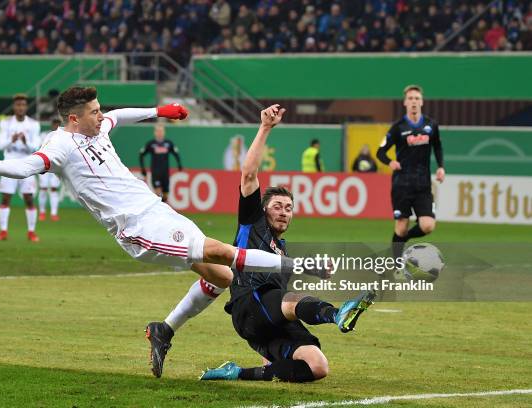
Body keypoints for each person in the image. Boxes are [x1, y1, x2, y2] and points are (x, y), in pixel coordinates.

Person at [0, 88, 308, 358]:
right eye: (93, 111)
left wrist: (160, 111)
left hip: (157, 209)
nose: (100, 115)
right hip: (138, 229)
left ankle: (163, 330)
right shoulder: (60, 145)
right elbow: (27, 166)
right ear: (75, 119)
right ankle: (295, 263)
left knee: (222, 277)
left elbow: (119, 115)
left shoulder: (97, 126)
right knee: (222, 252)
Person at [147, 105, 375, 381]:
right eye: (277, 205)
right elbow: (249, 175)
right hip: (248, 306)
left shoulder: (283, 251)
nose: (283, 211)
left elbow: (283, 304)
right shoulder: (253, 223)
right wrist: (265, 127)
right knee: (289, 299)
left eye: (289, 208)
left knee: (317, 366)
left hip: (267, 321)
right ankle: (337, 314)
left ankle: (236, 373)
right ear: (264, 209)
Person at [376, 85, 445, 260]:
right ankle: (395, 263)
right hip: (402, 185)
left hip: (423, 185)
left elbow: (437, 146)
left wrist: (441, 166)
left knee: (428, 225)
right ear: (405, 102)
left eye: (417, 98)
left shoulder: (431, 125)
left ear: (421, 102)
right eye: (411, 98)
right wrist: (390, 162)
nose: (414, 101)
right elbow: (380, 152)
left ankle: (401, 240)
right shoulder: (397, 128)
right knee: (401, 225)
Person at [0, 93, 41, 242]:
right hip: (9, 162)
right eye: (18, 105)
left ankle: (31, 232)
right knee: (5, 198)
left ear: (26, 107)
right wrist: (11, 140)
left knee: (28, 198)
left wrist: (26, 142)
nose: (20, 107)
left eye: (23, 105)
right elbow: (1, 145)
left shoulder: (33, 124)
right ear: (14, 107)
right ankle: (3, 231)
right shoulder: (6, 123)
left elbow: (36, 147)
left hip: (27, 163)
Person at [139, 124, 182, 202]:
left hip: (165, 173)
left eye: (161, 131)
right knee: (159, 195)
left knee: (165, 196)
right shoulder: (151, 144)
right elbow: (141, 154)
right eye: (158, 131)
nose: (159, 133)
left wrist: (179, 165)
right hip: (155, 172)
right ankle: (159, 209)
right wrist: (143, 169)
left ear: (164, 132)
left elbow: (176, 154)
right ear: (155, 133)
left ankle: (162, 207)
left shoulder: (168, 143)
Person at [38, 118, 63, 221]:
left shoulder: (63, 137)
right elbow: (38, 147)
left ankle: (54, 213)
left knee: (53, 189)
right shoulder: (44, 135)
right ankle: (42, 212)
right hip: (44, 164)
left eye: (58, 125)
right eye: (54, 124)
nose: (56, 126)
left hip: (56, 165)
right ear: (52, 125)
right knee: (43, 188)